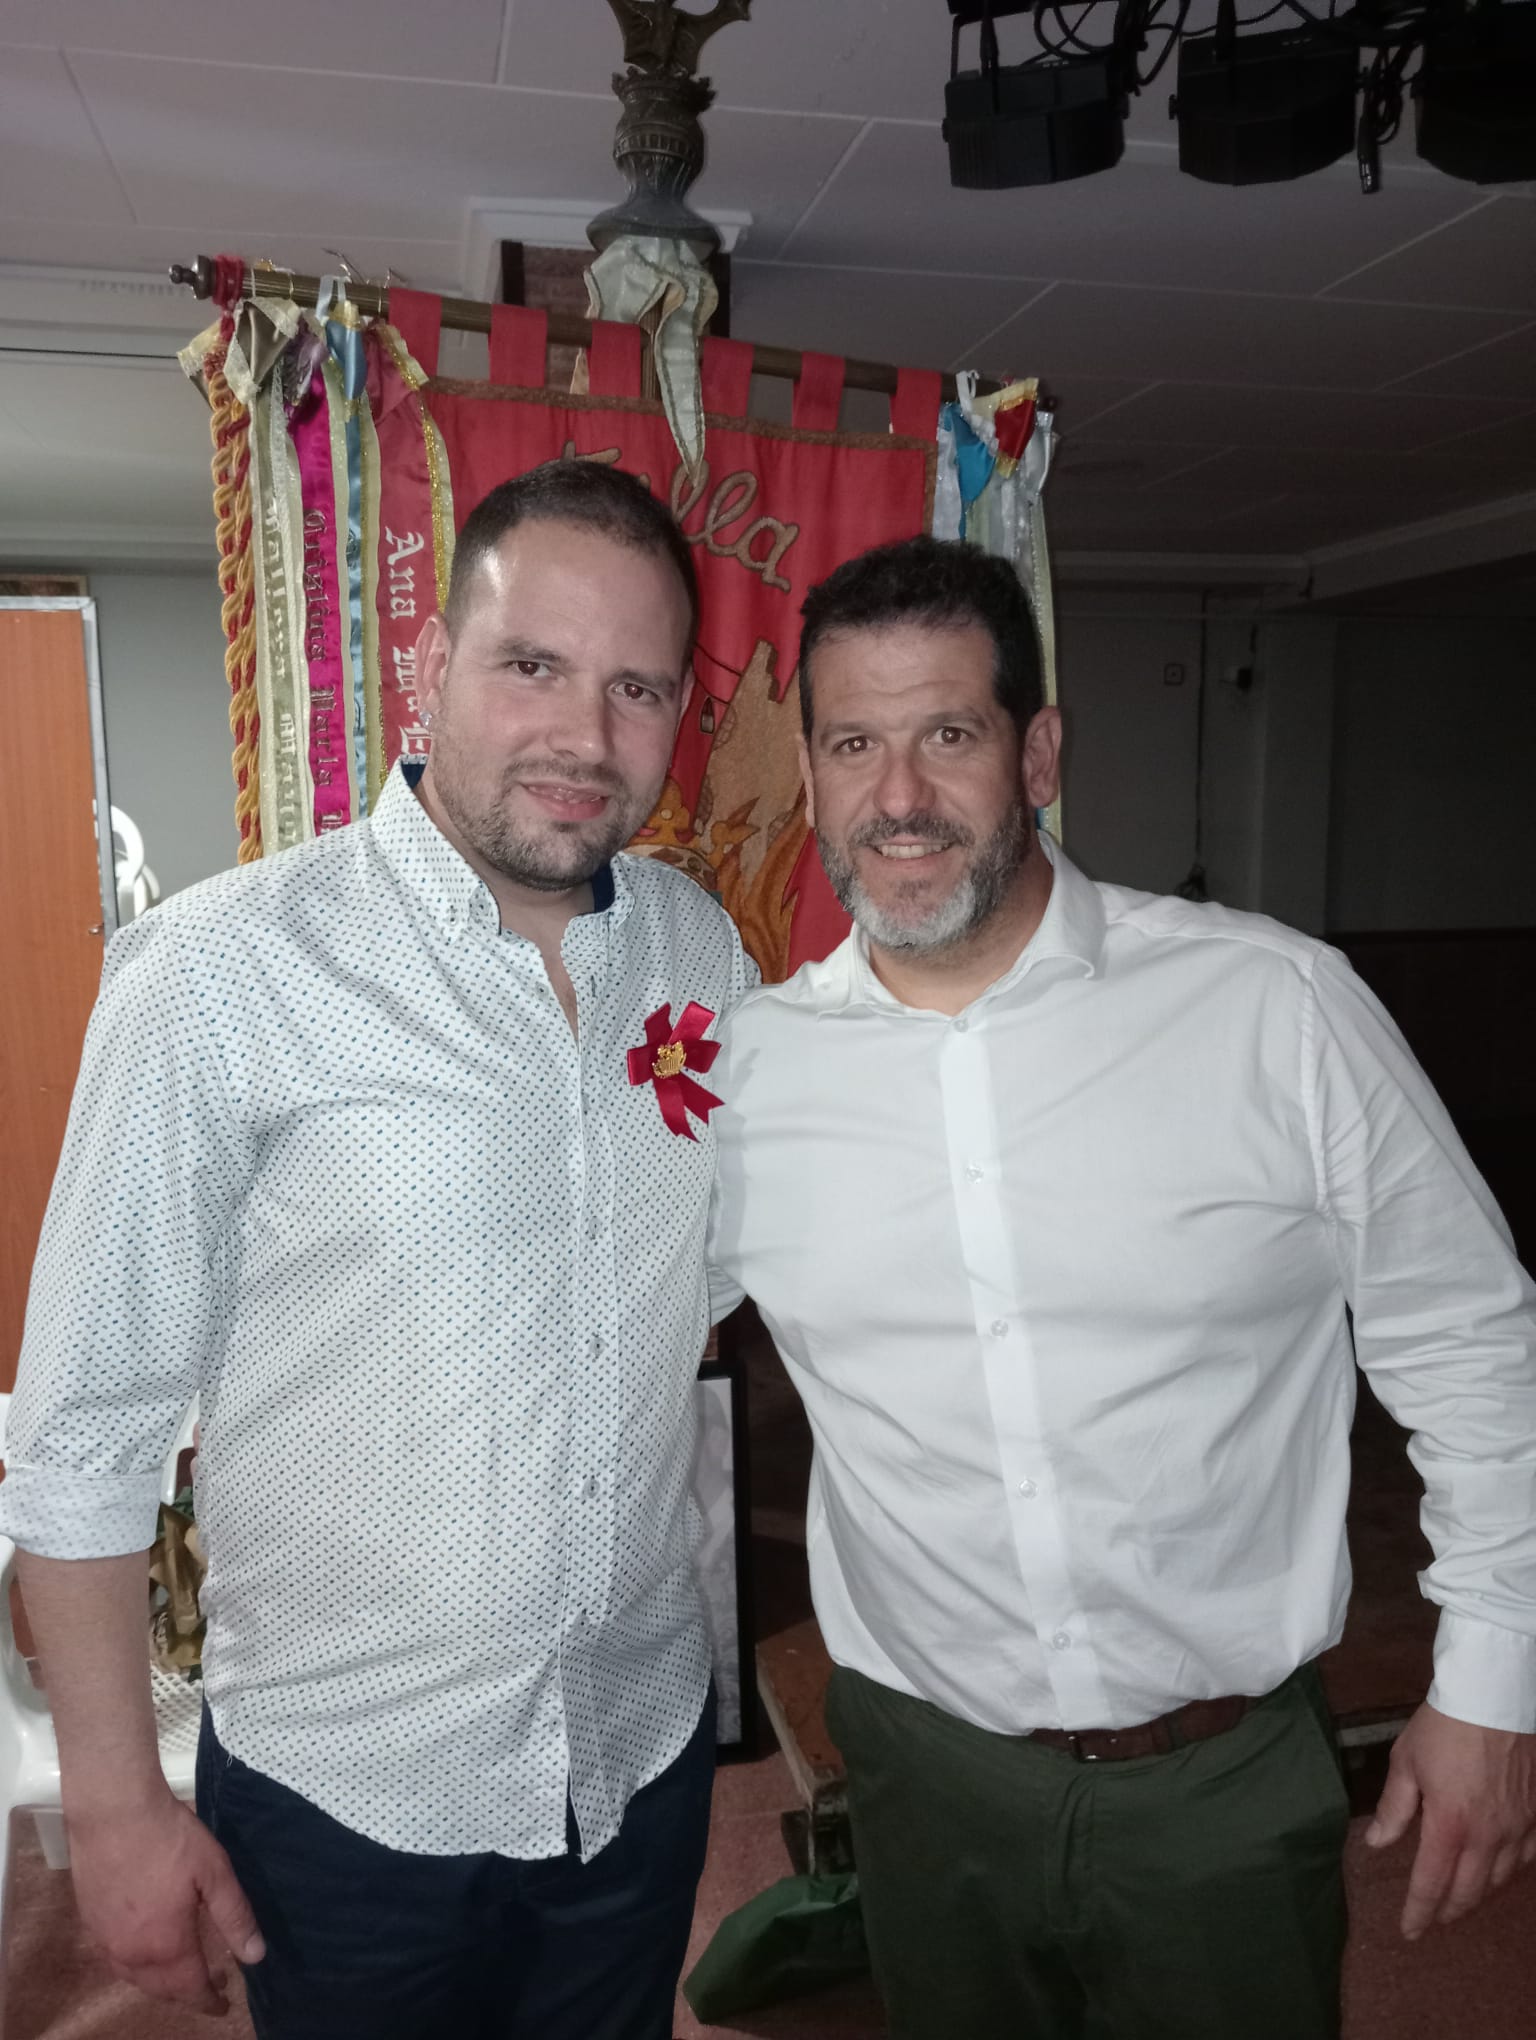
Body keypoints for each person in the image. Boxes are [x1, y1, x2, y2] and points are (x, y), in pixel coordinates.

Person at [707, 534, 1536, 2040]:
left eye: (948, 734)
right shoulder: (743, 1078)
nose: (900, 797)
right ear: (810, 776)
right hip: (924, 1779)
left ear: (1038, 753)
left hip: (1220, 1787)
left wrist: (1493, 1682)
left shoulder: (1275, 1008)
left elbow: (1474, 1340)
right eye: (855, 746)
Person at [1, 460, 755, 2040]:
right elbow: (83, 1430)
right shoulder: (220, 975)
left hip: (635, 1763)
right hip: (349, 1803)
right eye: (531, 664)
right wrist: (118, 1805)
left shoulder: (699, 950)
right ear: (427, 665)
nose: (584, 734)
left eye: (636, 687)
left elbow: (723, 1274)